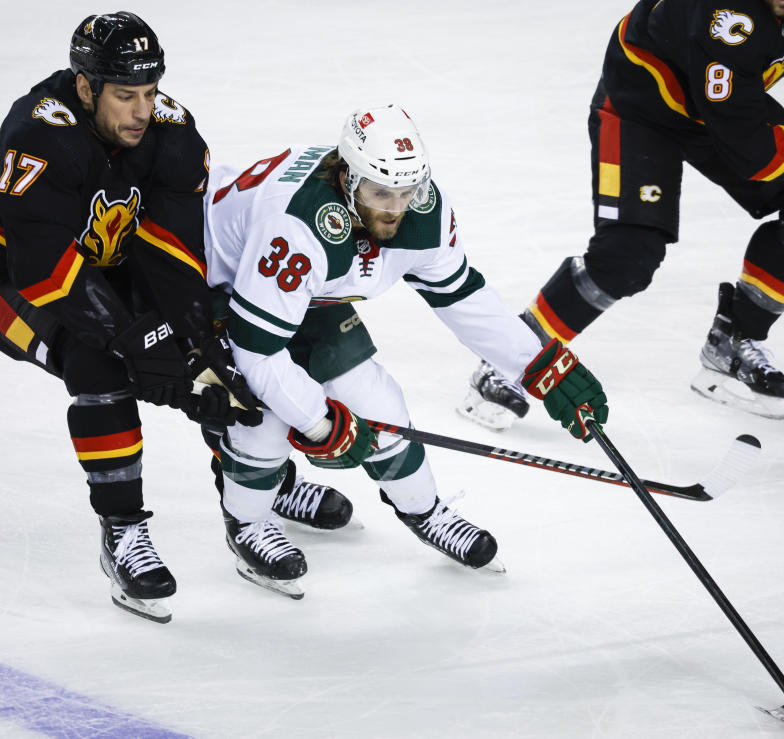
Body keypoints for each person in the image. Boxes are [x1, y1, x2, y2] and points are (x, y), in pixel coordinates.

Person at [0, 12, 351, 623]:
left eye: (149, 92)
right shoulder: (39, 135)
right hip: (15, 281)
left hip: (110, 269)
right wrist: (135, 346)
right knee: (98, 364)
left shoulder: (170, 130)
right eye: (124, 95)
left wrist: (196, 347)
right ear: (85, 87)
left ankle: (257, 485)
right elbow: (44, 269)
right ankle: (123, 533)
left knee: (220, 351)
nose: (142, 110)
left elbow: (171, 248)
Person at [200, 104, 610, 599]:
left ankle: (424, 509)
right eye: (380, 192)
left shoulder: (421, 209)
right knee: (263, 417)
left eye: (406, 191)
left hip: (303, 290)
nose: (395, 207)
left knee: (379, 403)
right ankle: (247, 520)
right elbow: (258, 352)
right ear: (348, 179)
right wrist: (318, 424)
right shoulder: (299, 225)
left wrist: (537, 365)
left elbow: (460, 295)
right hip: (215, 283)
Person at [460, 0, 784, 429]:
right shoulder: (728, 18)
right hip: (641, 104)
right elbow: (754, 150)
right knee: (628, 255)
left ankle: (732, 342)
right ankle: (513, 356)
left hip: (719, 104)